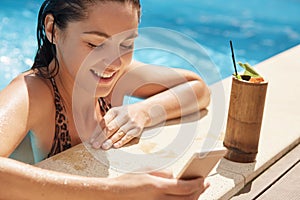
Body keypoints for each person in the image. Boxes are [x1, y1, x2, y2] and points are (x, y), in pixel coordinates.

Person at [0, 0, 211, 199]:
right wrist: (116, 191)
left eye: (126, 44)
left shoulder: (115, 75)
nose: (114, 62)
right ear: (52, 29)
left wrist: (144, 112)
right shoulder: (32, 93)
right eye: (95, 44)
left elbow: (197, 89)